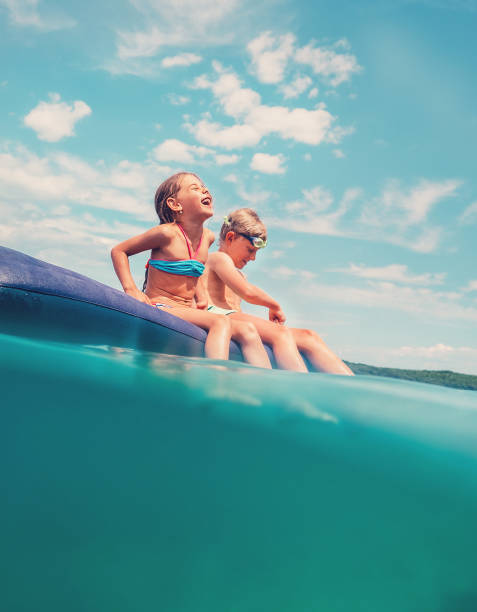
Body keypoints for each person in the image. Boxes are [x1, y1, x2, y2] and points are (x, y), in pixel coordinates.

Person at [111, 173, 271, 368]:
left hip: (187, 308)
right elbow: (119, 250)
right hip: (163, 305)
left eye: (204, 187)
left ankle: (263, 386)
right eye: (195, 188)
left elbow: (194, 271)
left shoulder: (208, 238)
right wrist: (131, 290)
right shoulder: (166, 233)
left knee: (248, 330)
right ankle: (215, 380)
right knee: (220, 322)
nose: (204, 190)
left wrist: (201, 298)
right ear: (175, 204)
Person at [204, 208, 353, 375]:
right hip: (219, 316)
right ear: (231, 237)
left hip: (233, 318)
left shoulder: (236, 271)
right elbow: (248, 292)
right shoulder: (218, 258)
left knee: (309, 336)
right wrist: (274, 306)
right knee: (280, 333)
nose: (253, 258)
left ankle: (353, 386)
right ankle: (299, 387)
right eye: (250, 250)